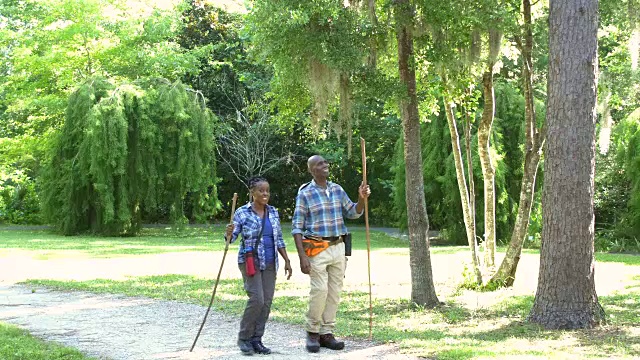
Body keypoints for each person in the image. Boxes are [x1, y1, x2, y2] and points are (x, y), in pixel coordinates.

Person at [291, 155, 371, 353]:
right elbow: (297, 227)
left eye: (326, 162)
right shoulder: (305, 193)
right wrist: (302, 256)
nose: (325, 165)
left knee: (334, 292)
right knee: (320, 291)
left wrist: (361, 198)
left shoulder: (337, 189)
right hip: (317, 248)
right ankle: (312, 333)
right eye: (320, 163)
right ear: (312, 170)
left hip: (339, 247)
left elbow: (353, 212)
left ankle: (327, 333)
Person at [225, 176, 293, 355]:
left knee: (266, 302)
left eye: (267, 190)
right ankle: (244, 338)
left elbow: (278, 238)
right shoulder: (242, 212)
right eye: (261, 190)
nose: (265, 193)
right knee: (257, 299)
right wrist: (228, 233)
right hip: (250, 261)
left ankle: (257, 340)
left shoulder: (273, 212)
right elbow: (231, 239)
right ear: (252, 192)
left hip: (270, 262)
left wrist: (286, 260)